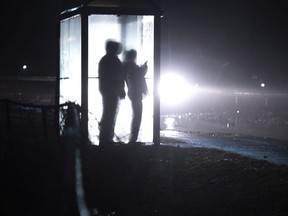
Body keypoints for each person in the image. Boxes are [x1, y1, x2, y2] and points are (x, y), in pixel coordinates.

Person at [98, 40, 125, 145]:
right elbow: (118, 76)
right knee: (111, 114)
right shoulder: (114, 60)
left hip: (106, 90)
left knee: (107, 113)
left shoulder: (104, 60)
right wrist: (121, 89)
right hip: (113, 91)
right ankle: (107, 137)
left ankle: (105, 137)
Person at [123, 49, 148, 143]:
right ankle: (133, 138)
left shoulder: (127, 65)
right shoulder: (132, 66)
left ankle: (133, 137)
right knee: (137, 115)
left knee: (136, 114)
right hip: (135, 92)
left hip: (133, 92)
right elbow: (140, 73)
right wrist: (145, 67)